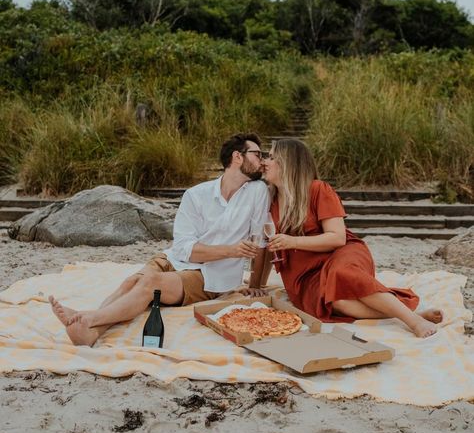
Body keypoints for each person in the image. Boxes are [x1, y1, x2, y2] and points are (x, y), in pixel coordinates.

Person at [49, 133, 269, 346]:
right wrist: (231, 250)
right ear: (237, 157)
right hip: (175, 258)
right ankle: (92, 330)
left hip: (210, 276)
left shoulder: (257, 191)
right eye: (258, 154)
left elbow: (260, 243)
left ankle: (88, 318)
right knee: (131, 282)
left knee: (149, 284)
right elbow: (184, 249)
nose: (263, 160)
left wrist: (257, 283)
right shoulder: (196, 195)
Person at [263, 138, 443, 338]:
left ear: (288, 162)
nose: (265, 162)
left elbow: (337, 238)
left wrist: (292, 241)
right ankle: (407, 312)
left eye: (271, 157)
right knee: (337, 302)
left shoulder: (316, 189)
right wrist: (254, 284)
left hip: (340, 253)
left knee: (342, 274)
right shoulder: (269, 200)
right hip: (304, 272)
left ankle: (413, 321)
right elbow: (265, 246)